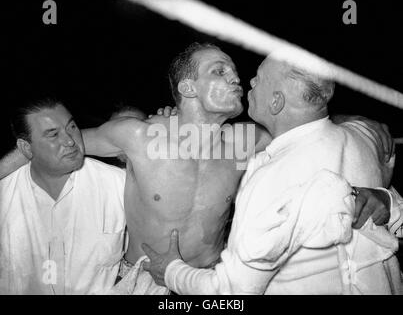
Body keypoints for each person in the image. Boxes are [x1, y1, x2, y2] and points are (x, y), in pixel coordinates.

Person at [0, 44, 398, 294]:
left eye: (233, 71)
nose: (236, 77)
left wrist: (359, 122)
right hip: (145, 282)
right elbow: (57, 148)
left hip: (211, 286)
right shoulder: (138, 136)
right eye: (218, 72)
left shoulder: (249, 141)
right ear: (188, 89)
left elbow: (307, 119)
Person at [142, 54, 403, 294]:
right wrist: (388, 203)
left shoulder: (270, 178)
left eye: (259, 78)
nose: (247, 80)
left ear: (276, 102)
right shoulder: (364, 137)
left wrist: (171, 271)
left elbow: (231, 292)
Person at [0, 98, 126, 294]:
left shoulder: (119, 184)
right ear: (25, 148)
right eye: (53, 135)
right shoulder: (5, 195)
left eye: (72, 127)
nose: (70, 141)